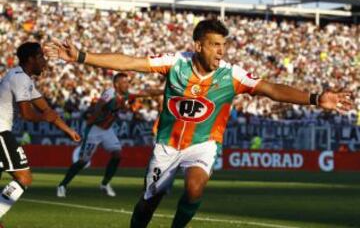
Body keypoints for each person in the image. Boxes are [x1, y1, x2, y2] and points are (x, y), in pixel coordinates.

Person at [45, 19, 352, 228]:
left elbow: (270, 89)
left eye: (224, 45)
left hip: (203, 145)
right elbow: (130, 62)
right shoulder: (175, 63)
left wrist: (315, 98)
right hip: (167, 145)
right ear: (198, 45)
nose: (222, 51)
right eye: (216, 44)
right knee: (148, 203)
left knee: (194, 188)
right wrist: (83, 57)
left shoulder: (232, 74)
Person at [0, 42, 81, 225]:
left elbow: (46, 109)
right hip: (0, 132)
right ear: (31, 59)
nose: (45, 62)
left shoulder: (23, 79)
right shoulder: (19, 78)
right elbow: (28, 114)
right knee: (24, 178)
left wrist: (68, 130)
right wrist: (44, 117)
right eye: (41, 57)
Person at [57, 73, 163, 198]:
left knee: (117, 155)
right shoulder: (110, 93)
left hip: (107, 130)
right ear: (117, 84)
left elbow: (145, 93)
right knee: (82, 161)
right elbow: (99, 106)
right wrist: (95, 118)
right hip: (95, 129)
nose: (127, 84)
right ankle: (62, 185)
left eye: (127, 82)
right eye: (124, 82)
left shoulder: (126, 94)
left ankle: (104, 183)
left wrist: (165, 91)